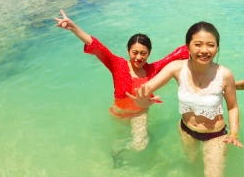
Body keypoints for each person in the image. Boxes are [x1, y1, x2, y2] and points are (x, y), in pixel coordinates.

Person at [128, 22, 243, 177]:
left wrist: (234, 133)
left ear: (217, 47)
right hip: (186, 131)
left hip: (216, 136)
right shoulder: (176, 68)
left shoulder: (225, 75)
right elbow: (148, 87)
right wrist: (141, 99)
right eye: (198, 44)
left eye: (210, 45)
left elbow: (232, 107)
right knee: (192, 164)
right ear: (188, 46)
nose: (204, 50)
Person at [54, 10, 189, 151]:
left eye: (143, 53)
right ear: (128, 51)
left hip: (139, 114)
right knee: (123, 137)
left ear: (149, 53)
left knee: (140, 145)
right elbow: (97, 46)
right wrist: (73, 27)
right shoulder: (117, 64)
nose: (139, 57)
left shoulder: (154, 69)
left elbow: (177, 54)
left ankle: (122, 149)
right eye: (134, 52)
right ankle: (119, 148)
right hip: (118, 112)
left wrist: (203, 44)